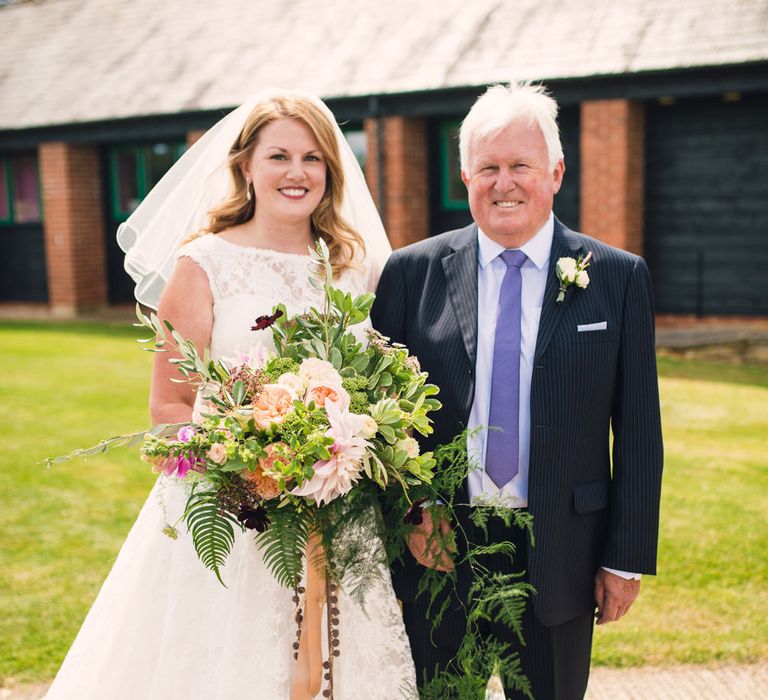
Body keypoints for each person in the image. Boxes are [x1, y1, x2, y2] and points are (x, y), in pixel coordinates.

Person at [44, 90, 417, 700]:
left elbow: (378, 384)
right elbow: (168, 407)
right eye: (279, 156)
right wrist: (247, 462)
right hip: (234, 518)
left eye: (313, 158)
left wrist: (341, 448)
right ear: (246, 165)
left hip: (340, 513)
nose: (297, 173)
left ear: (331, 169)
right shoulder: (205, 263)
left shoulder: (355, 268)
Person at [371, 83, 664, 700]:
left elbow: (638, 431)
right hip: (440, 549)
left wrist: (624, 558)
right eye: (488, 168)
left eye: (521, 166)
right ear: (465, 175)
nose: (504, 183)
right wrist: (412, 516)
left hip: (561, 548)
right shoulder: (410, 273)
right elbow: (380, 422)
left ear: (556, 172)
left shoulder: (617, 278)